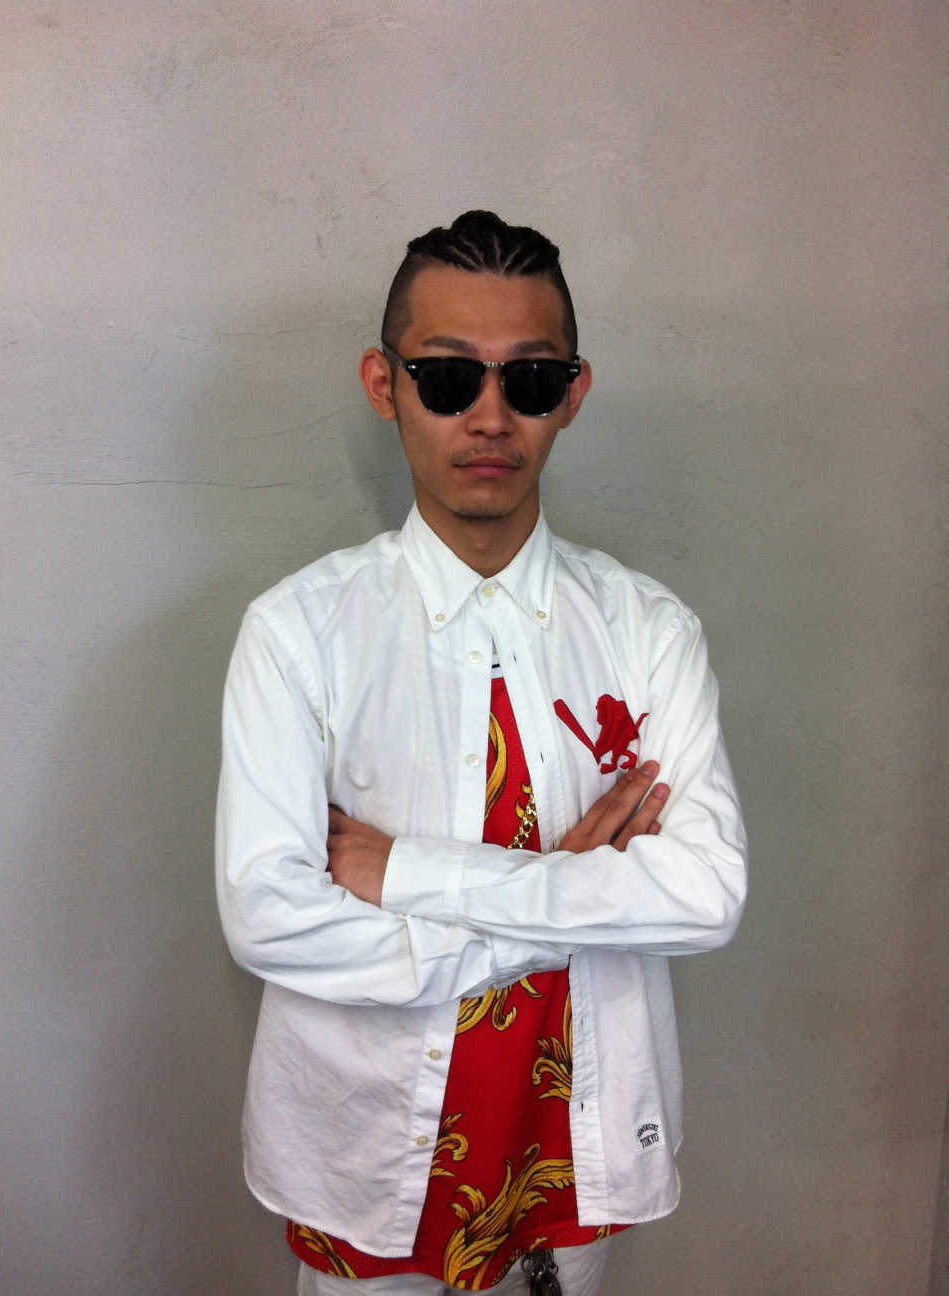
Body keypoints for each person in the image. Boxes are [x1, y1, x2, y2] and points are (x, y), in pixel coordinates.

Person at [216, 210, 747, 1296]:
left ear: (573, 394)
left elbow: (705, 896)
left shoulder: (649, 630)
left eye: (531, 380)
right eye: (450, 378)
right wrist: (565, 900)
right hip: (369, 1153)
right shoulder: (300, 633)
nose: (491, 417)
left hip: (575, 1146)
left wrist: (409, 873)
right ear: (385, 383)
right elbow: (266, 913)